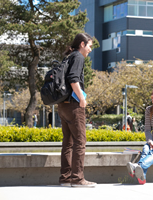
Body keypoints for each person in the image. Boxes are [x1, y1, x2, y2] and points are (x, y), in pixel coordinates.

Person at [57, 33, 96, 187]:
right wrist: (82, 98)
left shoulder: (68, 57)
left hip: (63, 105)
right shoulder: (78, 57)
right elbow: (74, 79)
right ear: (82, 44)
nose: (90, 50)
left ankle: (65, 177)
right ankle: (78, 178)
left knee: (68, 142)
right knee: (80, 141)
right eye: (90, 46)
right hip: (74, 105)